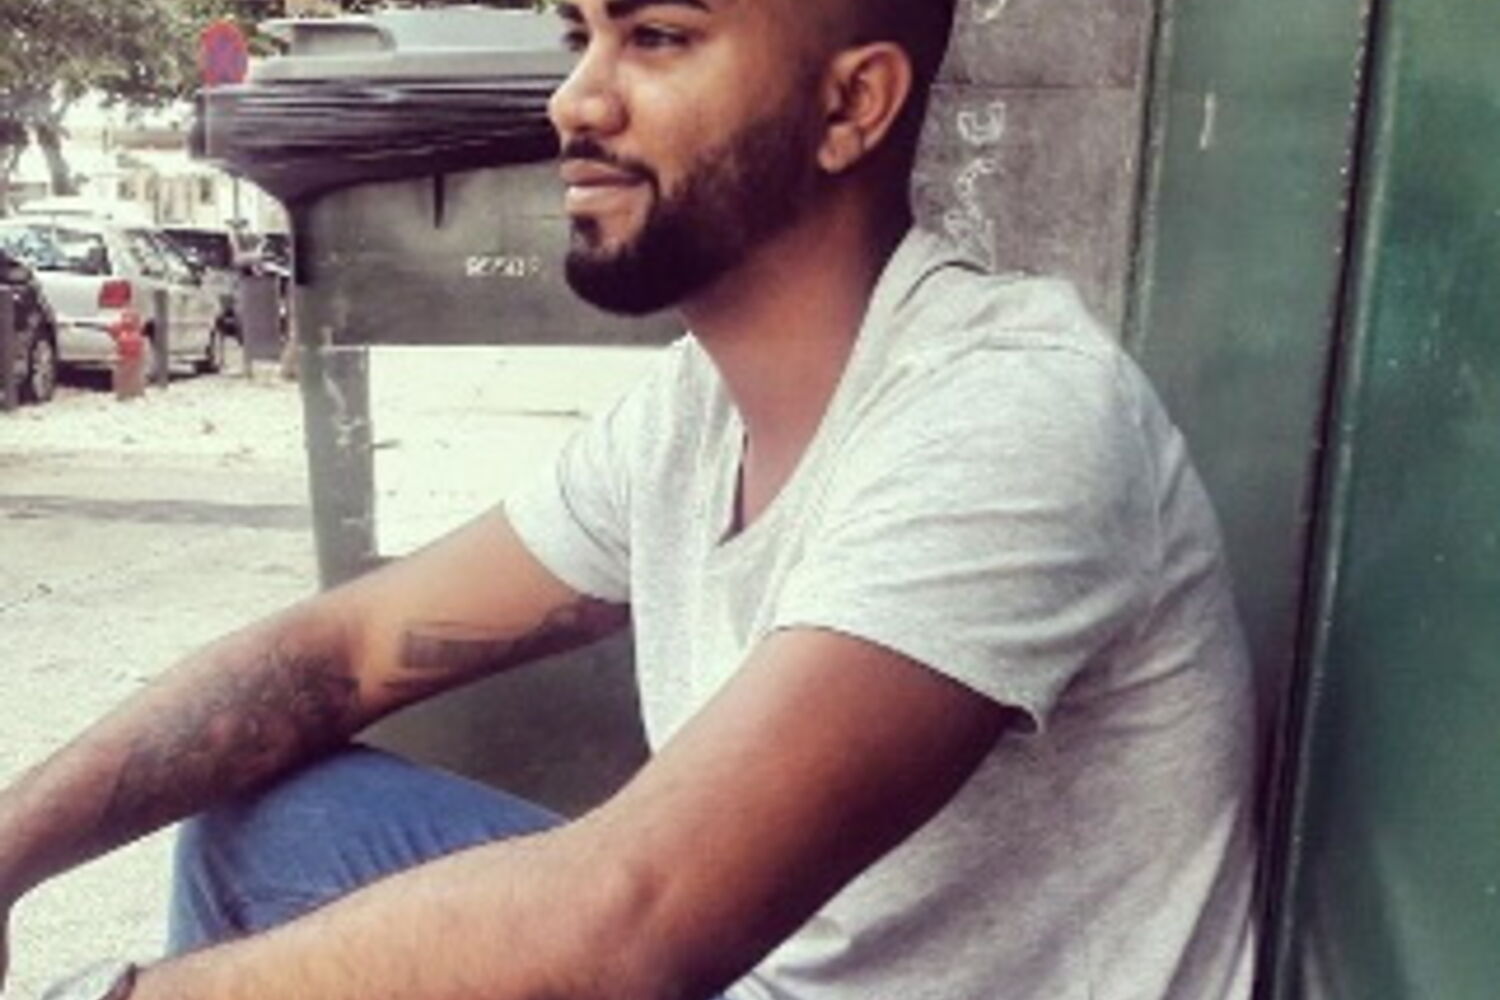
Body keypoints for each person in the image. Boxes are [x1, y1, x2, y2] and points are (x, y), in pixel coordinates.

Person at [5, 0, 1260, 997]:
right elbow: (341, 653)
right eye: (580, 34)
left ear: (851, 105)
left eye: (657, 37)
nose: (575, 99)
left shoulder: (1009, 411)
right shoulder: (691, 412)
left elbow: (629, 923)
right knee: (272, 821)